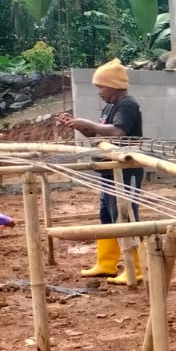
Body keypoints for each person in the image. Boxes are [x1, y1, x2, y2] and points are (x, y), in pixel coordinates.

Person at [59, 58, 144, 285]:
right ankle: (106, 263)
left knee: (125, 215)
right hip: (109, 167)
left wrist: (89, 123)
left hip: (125, 169)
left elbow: (117, 132)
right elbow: (99, 134)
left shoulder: (127, 104)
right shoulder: (110, 106)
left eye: (101, 87)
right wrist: (79, 125)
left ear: (114, 86)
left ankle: (136, 268)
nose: (99, 91)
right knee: (107, 215)